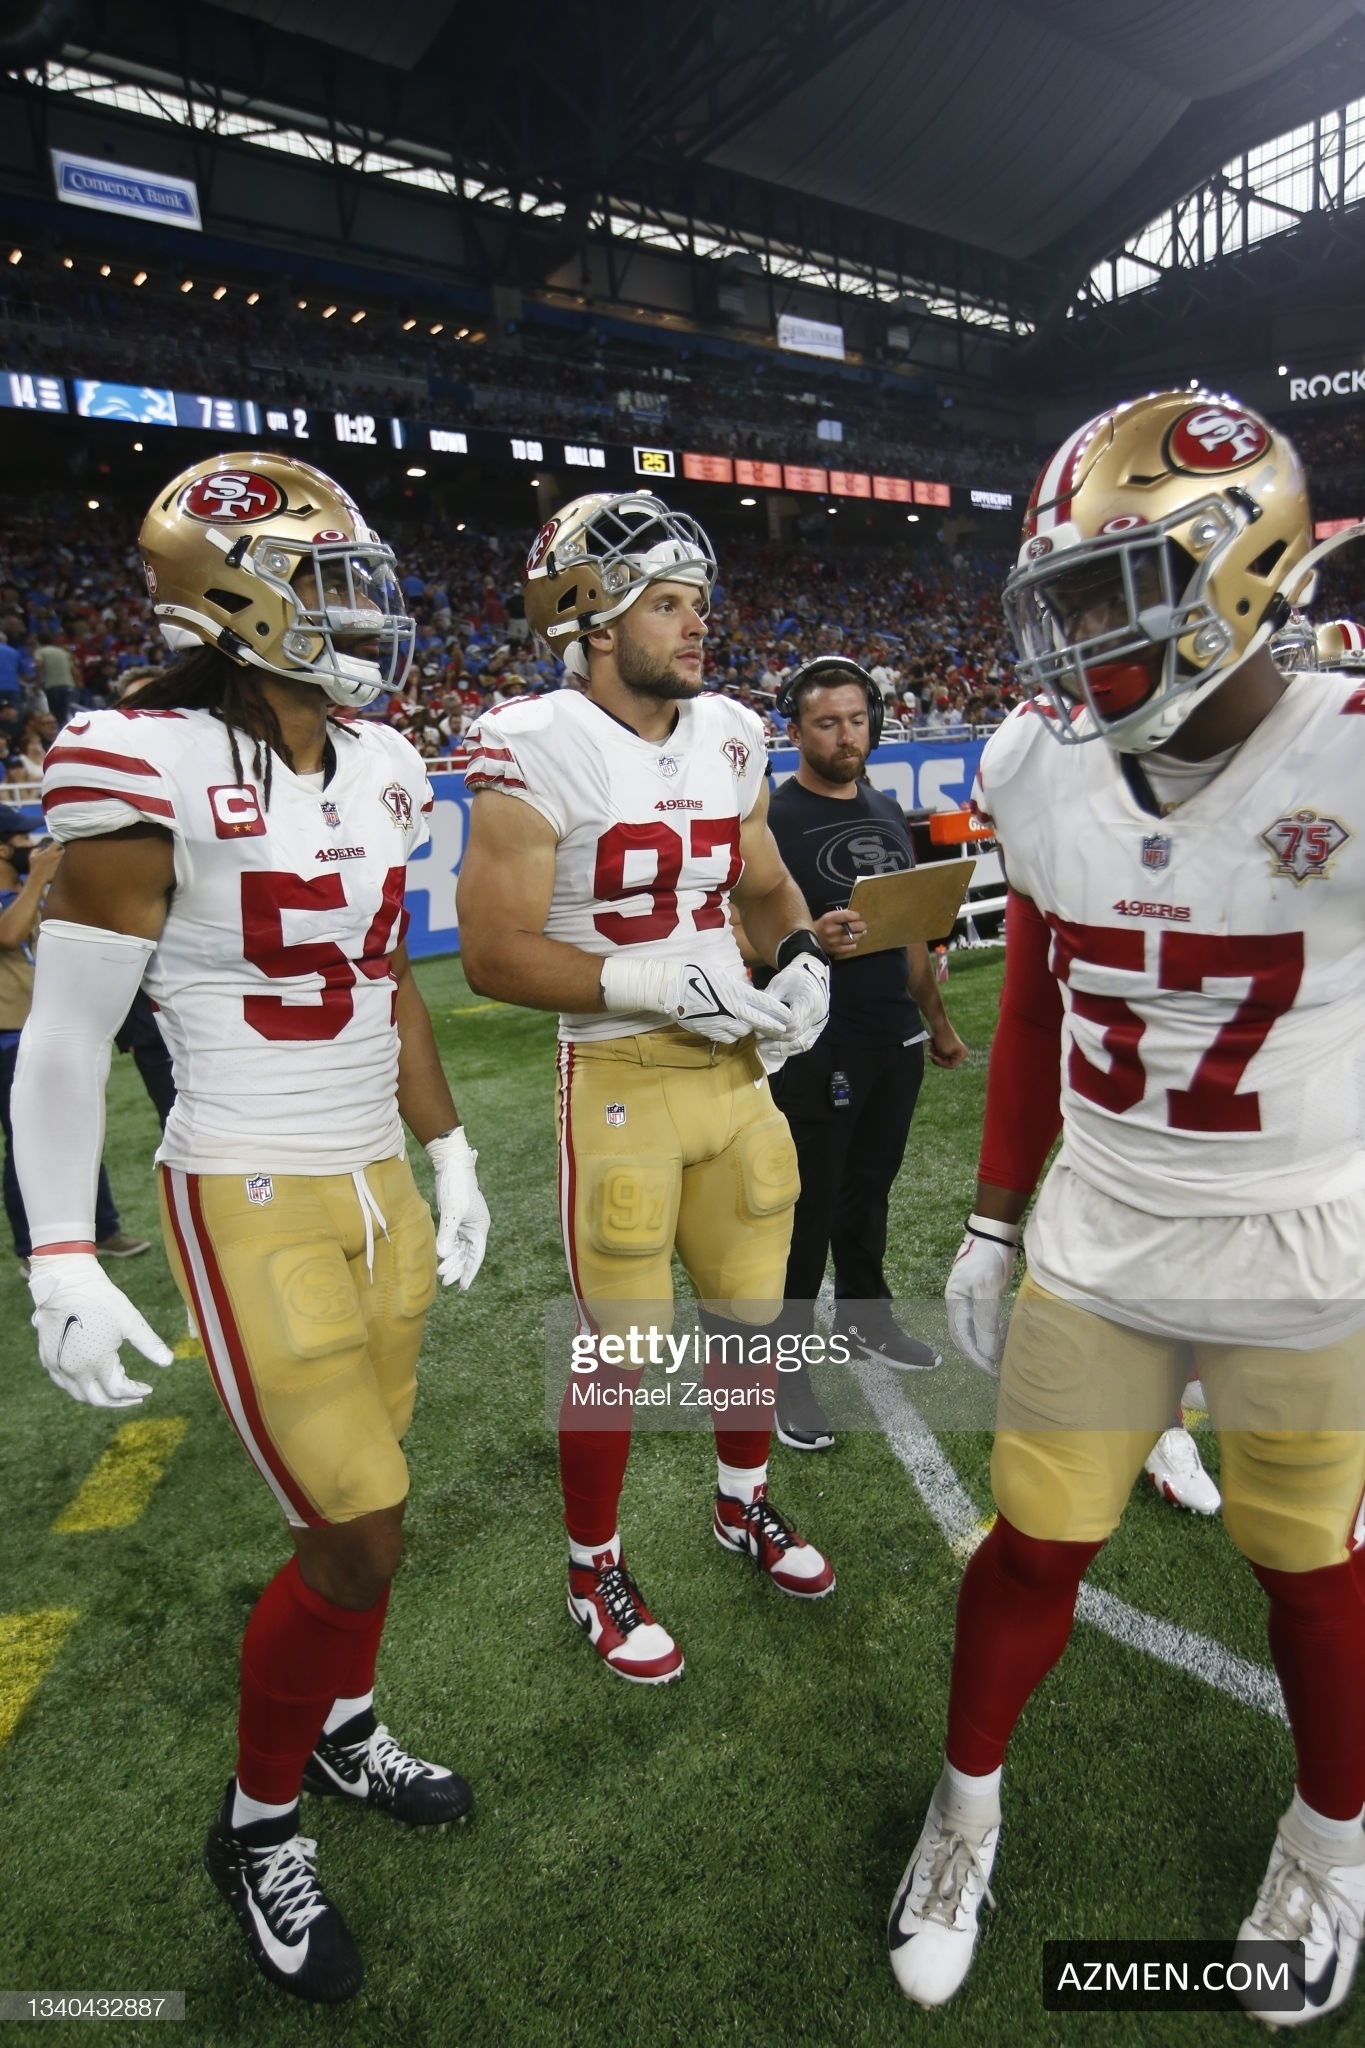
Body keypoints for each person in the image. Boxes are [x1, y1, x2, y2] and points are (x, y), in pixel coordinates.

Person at [888, 390, 1365, 2026]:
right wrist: (991, 1219)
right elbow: (1034, 997)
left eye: (1115, 590)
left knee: (1303, 1561)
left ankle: (1331, 1842)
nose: (1076, 638)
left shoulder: (1348, 753)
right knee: (1033, 1544)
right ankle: (962, 1813)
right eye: (1063, 593)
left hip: (1303, 1248)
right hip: (1100, 1243)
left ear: (1241, 576)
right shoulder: (1040, 763)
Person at [12, 452, 491, 2007]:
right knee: (358, 1529)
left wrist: (450, 1147)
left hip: (376, 1183)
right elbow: (67, 1033)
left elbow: (386, 977)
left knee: (373, 1501)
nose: (360, 615)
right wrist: (59, 1251)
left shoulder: (385, 762)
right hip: (246, 1181)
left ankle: (342, 1732)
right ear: (232, 598)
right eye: (326, 585)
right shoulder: (137, 757)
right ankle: (256, 1823)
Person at [456, 489, 836, 1686]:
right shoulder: (535, 740)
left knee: (752, 1312)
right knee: (618, 1350)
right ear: (593, 620)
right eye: (666, 603)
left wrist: (801, 958)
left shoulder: (728, 730)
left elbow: (762, 880)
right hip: (619, 1072)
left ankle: (741, 1499)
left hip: (736, 1073)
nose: (696, 624)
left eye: (696, 602)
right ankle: (593, 1568)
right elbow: (493, 952)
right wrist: (652, 978)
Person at [755, 657, 967, 1452]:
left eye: (856, 720)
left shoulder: (882, 808)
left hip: (891, 1035)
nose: (846, 736)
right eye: (826, 723)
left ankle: (865, 1322)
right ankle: (784, 1372)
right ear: (795, 730)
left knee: (869, 1192)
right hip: (816, 1039)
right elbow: (739, 930)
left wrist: (935, 1020)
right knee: (806, 1211)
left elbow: (909, 934)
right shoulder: (771, 818)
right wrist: (806, 940)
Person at [0, 803, 149, 1275]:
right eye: (22, 839)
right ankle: (33, 1248)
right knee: (28, 1141)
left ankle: (101, 1229)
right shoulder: (23, 891)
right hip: (7, 1034)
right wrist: (36, 881)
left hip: (47, 1023)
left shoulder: (28, 891)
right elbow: (8, 935)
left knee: (76, 1126)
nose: (33, 846)